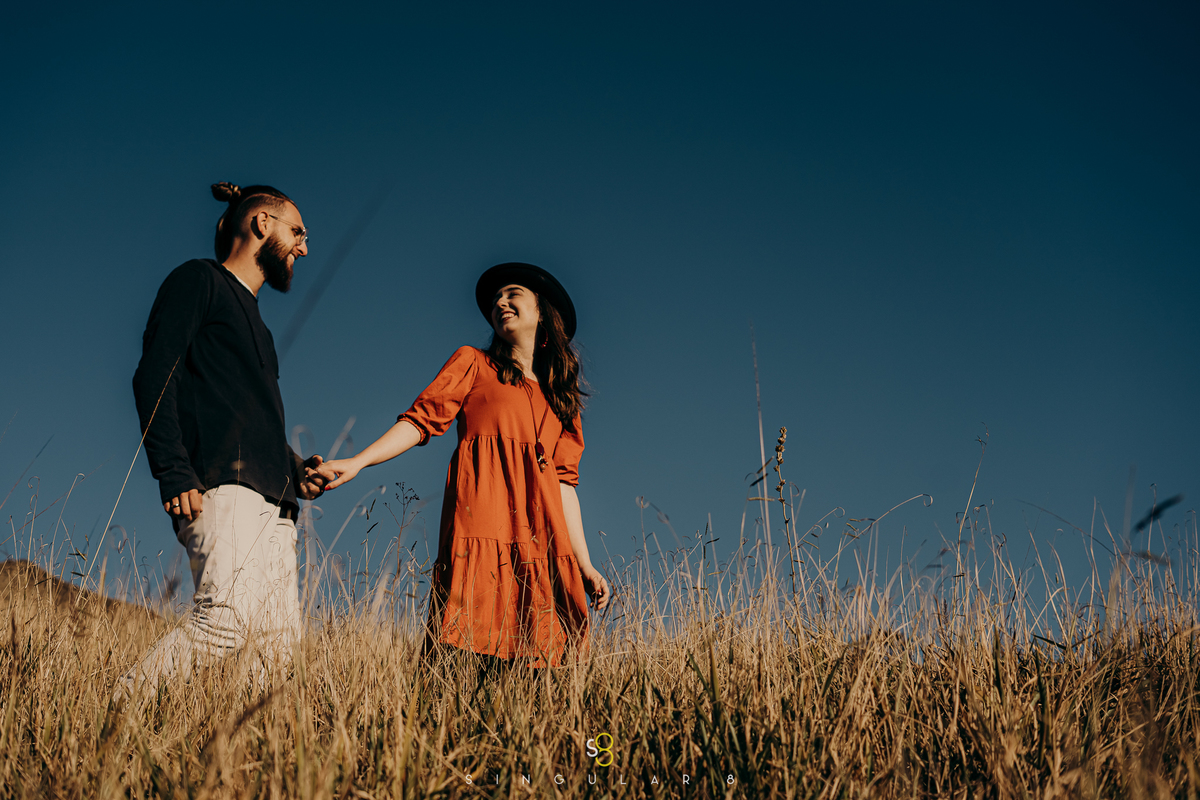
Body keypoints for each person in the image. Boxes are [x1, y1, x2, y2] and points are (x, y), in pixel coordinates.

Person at [316, 262, 611, 667]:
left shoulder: (561, 402)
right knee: (463, 644)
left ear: (542, 311)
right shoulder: (474, 363)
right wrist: (359, 461)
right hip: (482, 524)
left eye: (512, 294)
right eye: (496, 299)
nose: (500, 302)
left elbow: (564, 485)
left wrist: (584, 562)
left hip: (543, 537)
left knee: (540, 656)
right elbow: (420, 421)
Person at [117, 182, 328, 700]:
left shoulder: (259, 324)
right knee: (224, 624)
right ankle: (113, 717)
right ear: (261, 224)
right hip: (221, 491)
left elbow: (245, 418)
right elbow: (153, 377)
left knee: (276, 658)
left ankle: (247, 772)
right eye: (296, 231)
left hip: (276, 505)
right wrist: (173, 469)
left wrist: (295, 468)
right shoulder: (199, 281)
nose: (304, 247)